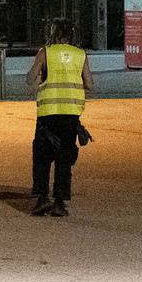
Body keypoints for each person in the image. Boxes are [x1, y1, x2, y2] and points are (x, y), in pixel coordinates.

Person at [25, 19, 94, 217]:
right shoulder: (80, 55)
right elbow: (89, 83)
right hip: (70, 115)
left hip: (47, 115)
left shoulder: (45, 53)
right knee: (64, 159)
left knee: (42, 157)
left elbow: (31, 78)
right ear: (72, 35)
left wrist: (39, 75)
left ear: (53, 33)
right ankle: (59, 203)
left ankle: (41, 199)